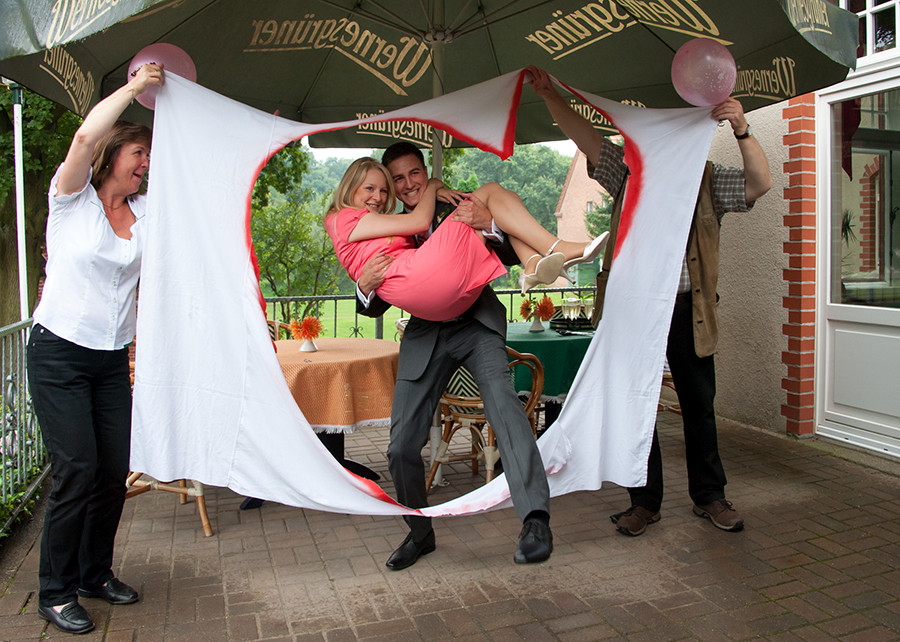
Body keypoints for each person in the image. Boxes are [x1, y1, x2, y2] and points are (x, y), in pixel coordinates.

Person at [526, 65, 772, 536]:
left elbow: (759, 183)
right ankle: (645, 501)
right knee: (637, 402)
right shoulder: (628, 174)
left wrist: (742, 128)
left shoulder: (706, 180)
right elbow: (588, 142)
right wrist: (550, 95)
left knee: (699, 403)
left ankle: (710, 497)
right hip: (635, 310)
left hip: (687, 308)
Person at [355, 143, 559, 569]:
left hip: (474, 324)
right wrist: (365, 286)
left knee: (505, 407)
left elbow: (504, 251)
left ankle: (535, 519)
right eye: (398, 178)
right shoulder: (389, 229)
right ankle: (420, 532)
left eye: (414, 173)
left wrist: (490, 227)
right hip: (426, 334)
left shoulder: (455, 205)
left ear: (426, 172)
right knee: (399, 447)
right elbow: (372, 304)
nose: (408, 183)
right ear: (391, 187)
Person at [26, 62, 164, 634]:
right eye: (138, 155)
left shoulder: (148, 214)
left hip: (109, 360)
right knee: (77, 470)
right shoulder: (71, 201)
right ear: (114, 155)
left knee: (112, 472)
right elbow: (84, 135)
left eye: (150, 160)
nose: (145, 165)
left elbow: (198, 187)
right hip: (58, 354)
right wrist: (135, 90)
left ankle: (94, 572)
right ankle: (54, 591)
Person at [327, 157, 605, 320]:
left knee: (495, 205)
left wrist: (489, 224)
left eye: (383, 190)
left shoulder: (387, 229)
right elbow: (419, 221)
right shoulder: (346, 218)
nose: (378, 197)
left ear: (423, 170)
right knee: (491, 192)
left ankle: (532, 262)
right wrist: (435, 184)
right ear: (350, 188)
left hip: (467, 310)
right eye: (371, 189)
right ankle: (555, 249)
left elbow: (501, 233)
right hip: (427, 313)